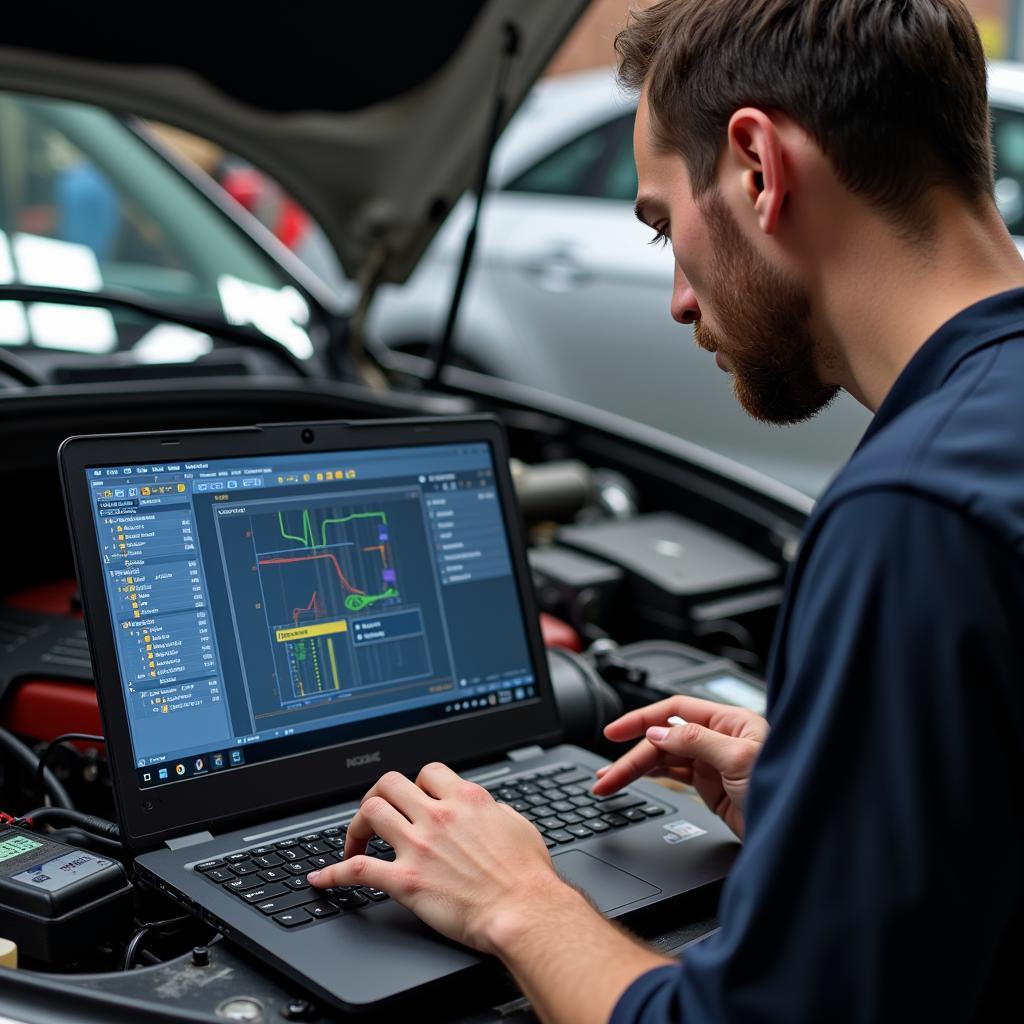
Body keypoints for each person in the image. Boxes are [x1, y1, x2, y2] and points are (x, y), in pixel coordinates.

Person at [308, 1, 1024, 1019]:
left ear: (757, 168)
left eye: (660, 227)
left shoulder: (914, 513)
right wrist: (828, 786)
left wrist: (517, 900)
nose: (681, 300)